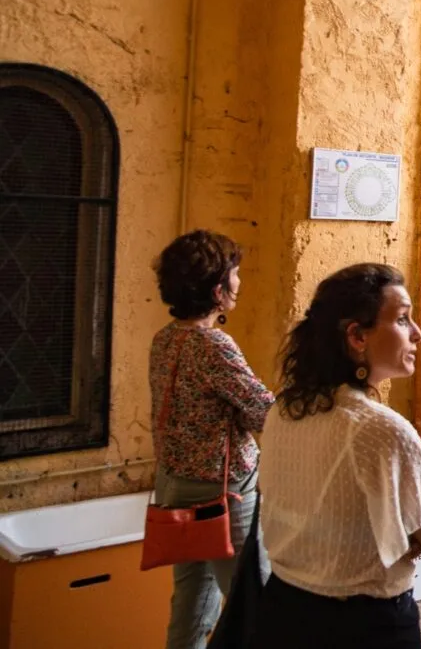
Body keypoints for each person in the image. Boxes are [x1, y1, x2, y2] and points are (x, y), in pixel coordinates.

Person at [255, 264, 421, 648]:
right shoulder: (381, 429)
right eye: (402, 320)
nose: (418, 333)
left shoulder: (282, 410)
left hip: (281, 612)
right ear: (357, 336)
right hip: (363, 626)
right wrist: (408, 535)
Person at [149, 230, 274, 649]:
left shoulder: (165, 339)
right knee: (254, 609)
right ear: (218, 289)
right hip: (222, 495)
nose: (240, 282)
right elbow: (263, 412)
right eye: (235, 274)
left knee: (190, 607)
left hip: (173, 487)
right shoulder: (214, 344)